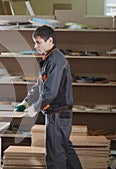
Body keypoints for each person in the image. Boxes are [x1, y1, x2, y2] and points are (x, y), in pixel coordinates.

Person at [14, 25, 82, 169]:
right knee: (64, 148)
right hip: (57, 113)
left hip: (58, 113)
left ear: (50, 40)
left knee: (55, 154)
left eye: (38, 42)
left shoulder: (56, 60)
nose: (35, 46)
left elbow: (50, 92)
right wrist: (26, 102)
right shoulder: (49, 59)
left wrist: (35, 107)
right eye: (35, 42)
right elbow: (40, 85)